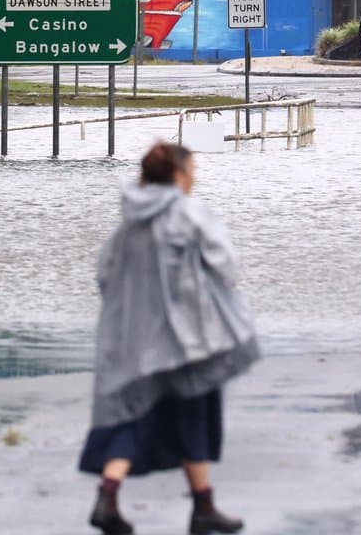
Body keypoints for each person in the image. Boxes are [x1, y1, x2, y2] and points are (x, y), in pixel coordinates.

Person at [79, 142, 260, 535]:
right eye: (192, 170)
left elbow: (105, 275)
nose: (194, 177)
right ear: (178, 176)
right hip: (187, 340)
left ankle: (111, 495)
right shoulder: (191, 214)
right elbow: (227, 267)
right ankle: (202, 508)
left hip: (136, 340)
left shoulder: (128, 223)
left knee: (134, 414)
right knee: (192, 414)